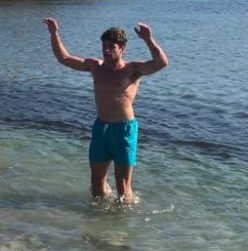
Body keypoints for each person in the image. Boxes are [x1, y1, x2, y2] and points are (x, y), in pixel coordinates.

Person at [43, 18, 168, 203]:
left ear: (122, 48)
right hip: (101, 128)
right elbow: (64, 58)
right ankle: (98, 222)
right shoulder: (95, 66)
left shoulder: (133, 69)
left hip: (124, 130)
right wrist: (54, 34)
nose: (106, 49)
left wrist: (148, 40)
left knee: (123, 188)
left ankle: (121, 226)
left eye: (111, 46)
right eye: (104, 46)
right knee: (96, 182)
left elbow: (161, 63)